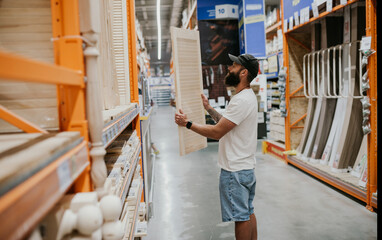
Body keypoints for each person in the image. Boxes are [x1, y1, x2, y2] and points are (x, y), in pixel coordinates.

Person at [175, 53, 259, 240]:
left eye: (234, 66)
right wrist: (209, 109)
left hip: (235, 170)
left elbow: (217, 132)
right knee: (248, 212)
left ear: (244, 72)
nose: (229, 68)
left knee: (241, 217)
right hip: (246, 168)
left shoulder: (241, 100)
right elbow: (227, 123)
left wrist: (187, 124)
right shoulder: (246, 96)